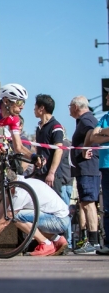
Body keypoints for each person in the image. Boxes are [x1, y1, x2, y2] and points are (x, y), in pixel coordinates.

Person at [0, 171, 70, 256]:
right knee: (15, 214)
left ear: (7, 184)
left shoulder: (20, 192)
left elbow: (4, 221)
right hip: (58, 217)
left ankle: (45, 243)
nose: (0, 191)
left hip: (58, 220)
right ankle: (57, 240)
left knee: (15, 216)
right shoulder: (18, 183)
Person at [69, 95, 101, 254]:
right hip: (86, 169)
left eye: (70, 106)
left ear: (76, 107)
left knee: (88, 203)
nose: (69, 109)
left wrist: (86, 148)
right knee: (86, 203)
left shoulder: (86, 119)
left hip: (88, 169)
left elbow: (92, 132)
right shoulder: (85, 120)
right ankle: (91, 241)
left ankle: (93, 243)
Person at [84, 89, 109, 255]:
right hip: (105, 167)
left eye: (108, 95)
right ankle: (108, 243)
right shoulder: (105, 117)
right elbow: (93, 136)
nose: (106, 97)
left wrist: (103, 133)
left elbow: (99, 134)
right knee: (107, 208)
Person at [33, 94, 65, 187]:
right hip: (40, 173)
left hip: (51, 176)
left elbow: (59, 150)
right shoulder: (39, 128)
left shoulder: (56, 127)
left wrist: (51, 173)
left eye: (35, 106)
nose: (34, 109)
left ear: (41, 108)